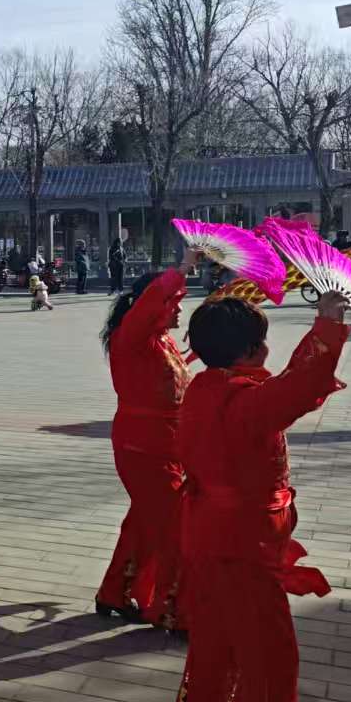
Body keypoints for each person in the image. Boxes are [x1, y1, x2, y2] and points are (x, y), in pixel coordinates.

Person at [163, 290, 348, 702]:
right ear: (250, 351)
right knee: (269, 656)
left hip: (208, 535)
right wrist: (327, 325)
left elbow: (288, 388)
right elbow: (299, 387)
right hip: (241, 543)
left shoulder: (205, 388)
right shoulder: (242, 401)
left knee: (217, 643)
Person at [94, 252, 199, 628]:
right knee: (173, 528)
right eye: (174, 302)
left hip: (166, 443)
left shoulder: (158, 340)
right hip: (143, 447)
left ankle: (114, 592)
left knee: (144, 523)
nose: (179, 309)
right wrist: (181, 269)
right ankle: (172, 608)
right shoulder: (132, 335)